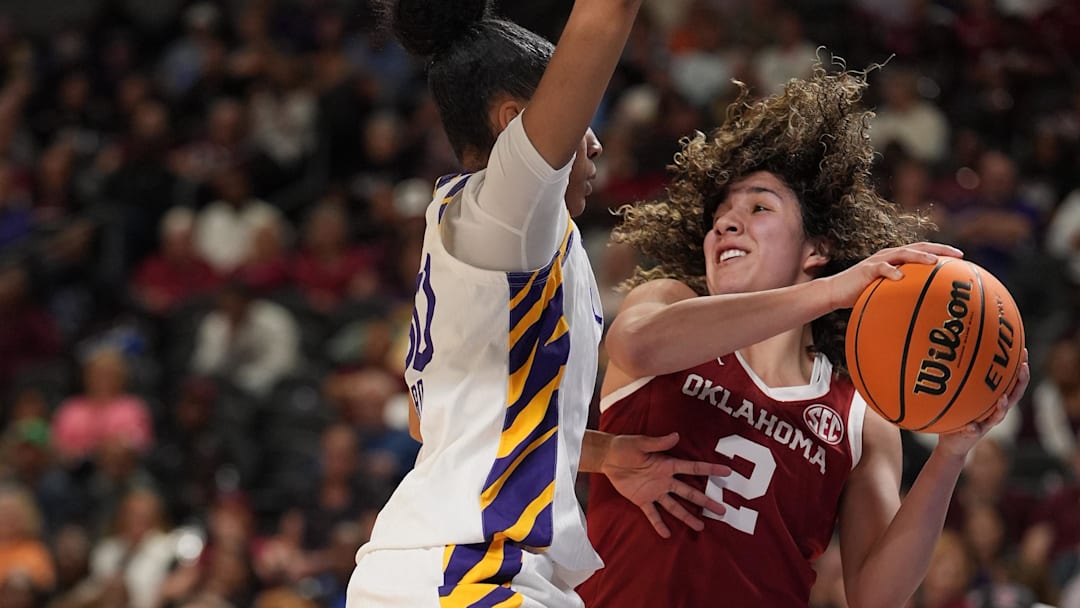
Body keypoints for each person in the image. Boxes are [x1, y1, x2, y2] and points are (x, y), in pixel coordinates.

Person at [578, 62, 1030, 607]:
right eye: (719, 213)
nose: (725, 222)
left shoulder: (860, 415)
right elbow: (635, 346)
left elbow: (876, 595)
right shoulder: (669, 301)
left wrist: (952, 453)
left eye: (758, 206)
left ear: (816, 251)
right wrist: (837, 291)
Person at [347, 1, 728, 606]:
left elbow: (433, 423)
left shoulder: (494, 233)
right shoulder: (512, 212)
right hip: (467, 571)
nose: (596, 143)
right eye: (581, 118)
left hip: (456, 570)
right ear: (514, 121)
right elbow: (607, 15)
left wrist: (607, 454)